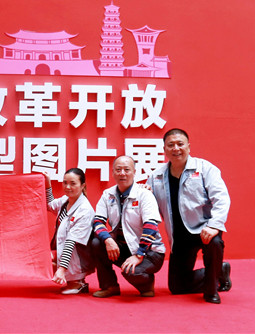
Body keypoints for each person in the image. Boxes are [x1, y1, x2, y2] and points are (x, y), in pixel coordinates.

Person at [149, 128, 232, 304]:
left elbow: (222, 198)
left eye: (180, 144)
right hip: (179, 236)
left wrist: (214, 225)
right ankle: (219, 271)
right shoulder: (156, 176)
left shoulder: (205, 169)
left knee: (215, 242)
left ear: (188, 146)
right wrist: (145, 194)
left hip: (205, 229)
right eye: (171, 145)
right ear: (164, 149)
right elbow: (149, 206)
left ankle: (211, 289)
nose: (176, 148)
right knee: (177, 287)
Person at [89, 156, 165, 298]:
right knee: (97, 242)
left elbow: (151, 226)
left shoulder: (144, 194)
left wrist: (139, 254)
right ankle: (110, 286)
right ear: (113, 173)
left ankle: (147, 284)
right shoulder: (107, 194)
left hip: (149, 252)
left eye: (126, 169)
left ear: (134, 172)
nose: (122, 173)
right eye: (118, 170)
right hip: (123, 247)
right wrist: (108, 240)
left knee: (130, 272)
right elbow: (97, 221)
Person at [44, 168, 95, 295]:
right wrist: (47, 183)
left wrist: (61, 269)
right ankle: (73, 282)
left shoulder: (85, 210)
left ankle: (78, 283)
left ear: (82, 185)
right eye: (65, 183)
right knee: (42, 258)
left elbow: (71, 242)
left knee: (47, 261)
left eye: (73, 183)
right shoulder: (66, 200)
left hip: (78, 254)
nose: (67, 187)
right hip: (65, 250)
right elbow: (50, 205)